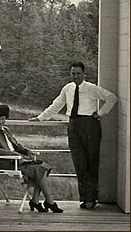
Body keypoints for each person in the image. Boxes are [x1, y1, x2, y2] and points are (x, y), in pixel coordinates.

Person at [29, 61, 117, 210]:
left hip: (90, 125)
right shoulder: (68, 88)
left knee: (91, 162)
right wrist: (40, 117)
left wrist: (100, 113)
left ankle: (91, 199)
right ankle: (84, 197)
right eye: (73, 73)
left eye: (78, 73)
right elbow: (57, 104)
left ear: (84, 74)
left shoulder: (91, 88)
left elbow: (112, 98)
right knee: (79, 164)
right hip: (74, 126)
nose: (75, 76)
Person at [0, 104, 63, 213]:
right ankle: (49, 202)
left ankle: (36, 201)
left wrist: (27, 152)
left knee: (44, 167)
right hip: (5, 162)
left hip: (16, 160)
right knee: (40, 169)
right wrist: (14, 154)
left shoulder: (6, 130)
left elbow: (16, 145)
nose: (1, 121)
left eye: (3, 119)